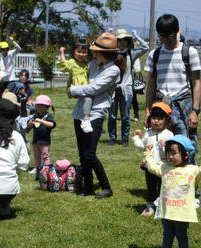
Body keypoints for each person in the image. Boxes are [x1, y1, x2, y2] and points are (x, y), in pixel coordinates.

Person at [69, 32, 125, 198]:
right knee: (82, 152)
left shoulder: (113, 70)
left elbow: (93, 89)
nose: (93, 54)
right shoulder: (94, 64)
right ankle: (87, 187)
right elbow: (85, 83)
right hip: (79, 112)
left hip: (95, 115)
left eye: (96, 52)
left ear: (105, 54)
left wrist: (73, 90)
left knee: (89, 154)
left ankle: (106, 187)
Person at [144, 14, 201, 154]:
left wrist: (195, 111)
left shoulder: (189, 53)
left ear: (177, 31)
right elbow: (151, 85)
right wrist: (147, 110)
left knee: (186, 147)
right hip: (161, 105)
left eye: (169, 36)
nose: (165, 40)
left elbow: (196, 83)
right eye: (162, 36)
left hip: (183, 105)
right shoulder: (154, 55)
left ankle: (186, 175)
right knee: (160, 148)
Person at [143, 135, 201, 248]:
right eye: (168, 153)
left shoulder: (192, 170)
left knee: (181, 236)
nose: (170, 156)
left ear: (185, 155)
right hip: (167, 212)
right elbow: (151, 167)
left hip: (182, 214)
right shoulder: (164, 168)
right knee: (167, 235)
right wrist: (148, 154)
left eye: (174, 153)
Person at [108, 29, 149, 147]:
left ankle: (125, 138)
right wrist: (109, 36)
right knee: (112, 115)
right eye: (120, 40)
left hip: (127, 89)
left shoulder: (131, 53)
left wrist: (137, 36)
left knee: (125, 116)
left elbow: (145, 47)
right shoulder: (110, 53)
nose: (123, 42)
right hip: (112, 89)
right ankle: (112, 137)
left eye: (125, 40)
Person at [132, 102, 173, 216]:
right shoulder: (148, 134)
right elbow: (141, 145)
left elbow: (174, 151)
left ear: (166, 120)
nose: (156, 121)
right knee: (150, 187)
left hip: (164, 167)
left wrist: (167, 146)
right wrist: (136, 137)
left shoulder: (168, 135)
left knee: (163, 187)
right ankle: (150, 206)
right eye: (154, 118)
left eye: (160, 118)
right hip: (150, 166)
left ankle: (163, 206)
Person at [57, 37, 92, 133]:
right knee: (87, 99)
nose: (81, 54)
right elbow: (64, 66)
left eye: (84, 52)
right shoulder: (72, 62)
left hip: (84, 87)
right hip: (75, 87)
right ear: (73, 51)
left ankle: (89, 120)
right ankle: (86, 120)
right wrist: (62, 53)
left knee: (88, 102)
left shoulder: (87, 64)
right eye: (78, 51)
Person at [26, 95, 56, 177]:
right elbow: (31, 126)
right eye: (38, 106)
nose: (39, 108)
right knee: (36, 155)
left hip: (44, 141)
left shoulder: (48, 116)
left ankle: (46, 169)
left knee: (45, 156)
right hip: (36, 140)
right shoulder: (36, 115)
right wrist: (29, 124)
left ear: (47, 107)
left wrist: (41, 121)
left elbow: (51, 124)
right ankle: (37, 168)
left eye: (42, 107)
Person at [131, 57, 142, 122]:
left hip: (132, 80)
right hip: (123, 80)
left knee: (134, 98)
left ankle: (136, 115)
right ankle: (125, 115)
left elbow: (137, 69)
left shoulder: (135, 56)